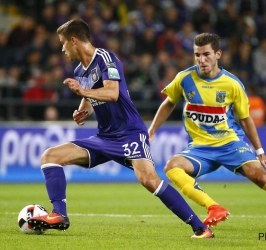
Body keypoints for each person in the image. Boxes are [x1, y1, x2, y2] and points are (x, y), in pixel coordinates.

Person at [27, 19, 213, 239]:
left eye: (63, 43)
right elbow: (90, 95)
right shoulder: (79, 70)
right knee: (50, 156)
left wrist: (82, 93)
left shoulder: (106, 58)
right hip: (104, 136)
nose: (62, 49)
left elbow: (112, 92)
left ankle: (201, 228)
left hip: (129, 132)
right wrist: (82, 110)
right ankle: (59, 214)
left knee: (149, 180)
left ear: (74, 40)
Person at [148, 33, 266, 228]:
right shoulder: (184, 78)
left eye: (206, 54)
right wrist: (152, 130)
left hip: (230, 144)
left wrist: (260, 152)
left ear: (218, 54)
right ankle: (213, 207)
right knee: (171, 167)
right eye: (197, 55)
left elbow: (245, 119)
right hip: (200, 149)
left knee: (260, 175)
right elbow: (169, 103)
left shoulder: (232, 84)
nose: (202, 60)